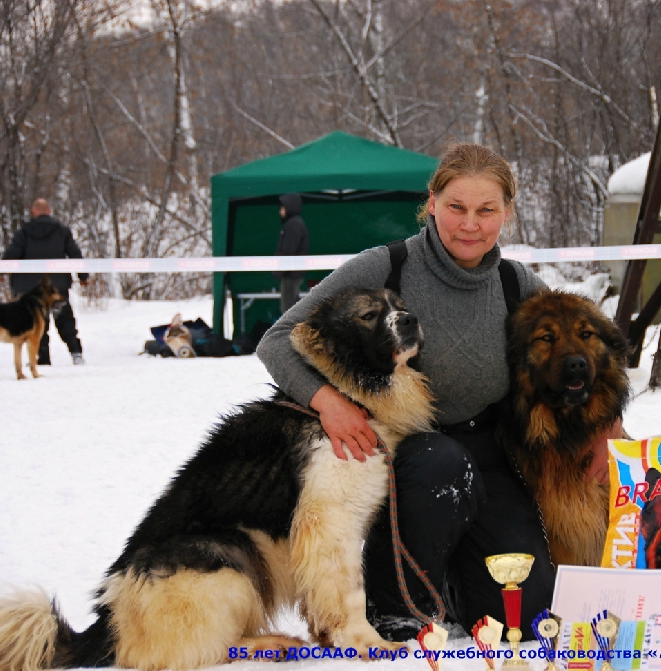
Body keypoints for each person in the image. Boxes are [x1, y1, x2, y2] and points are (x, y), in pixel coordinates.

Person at [258, 143, 616, 640]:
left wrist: (609, 430)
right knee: (442, 463)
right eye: (457, 208)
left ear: (507, 214)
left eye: (486, 210)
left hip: (489, 448)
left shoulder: (515, 283)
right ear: (431, 204)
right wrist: (330, 404)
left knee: (526, 614)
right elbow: (276, 340)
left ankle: (450, 583)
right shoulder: (386, 267)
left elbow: (592, 349)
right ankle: (395, 603)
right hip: (408, 454)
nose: (470, 224)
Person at [4, 198, 88, 365]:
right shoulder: (62, 231)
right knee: (64, 318)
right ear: (49, 211)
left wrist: (1, 270)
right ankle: (76, 353)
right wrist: (83, 276)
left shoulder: (24, 232)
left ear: (34, 212)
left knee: (37, 321)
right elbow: (74, 253)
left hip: (29, 287)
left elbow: (13, 252)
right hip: (56, 284)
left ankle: (42, 357)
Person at [273, 193, 309, 313]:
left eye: (283, 207)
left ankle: (290, 332)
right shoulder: (293, 224)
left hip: (291, 274)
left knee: (288, 310)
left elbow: (288, 250)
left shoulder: (293, 225)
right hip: (290, 273)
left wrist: (279, 269)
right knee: (291, 308)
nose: (280, 211)